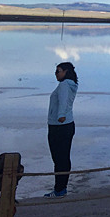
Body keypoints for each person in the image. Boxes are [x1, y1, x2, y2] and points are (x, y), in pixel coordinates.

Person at [45, 62, 78, 198]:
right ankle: (60, 188)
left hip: (60, 126)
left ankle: (60, 189)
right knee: (62, 158)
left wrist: (61, 116)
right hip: (64, 126)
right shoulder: (70, 84)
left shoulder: (64, 85)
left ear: (66, 72)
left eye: (58, 71)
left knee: (60, 159)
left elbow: (63, 102)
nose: (56, 73)